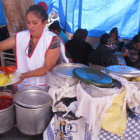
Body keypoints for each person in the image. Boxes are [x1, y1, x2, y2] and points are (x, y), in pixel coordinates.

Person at [0, 5, 69, 90]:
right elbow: (2, 45)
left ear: (44, 23)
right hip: (23, 85)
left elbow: (47, 67)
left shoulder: (53, 40)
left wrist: (24, 75)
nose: (30, 26)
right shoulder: (22, 36)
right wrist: (21, 77)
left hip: (44, 87)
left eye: (35, 23)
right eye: (28, 22)